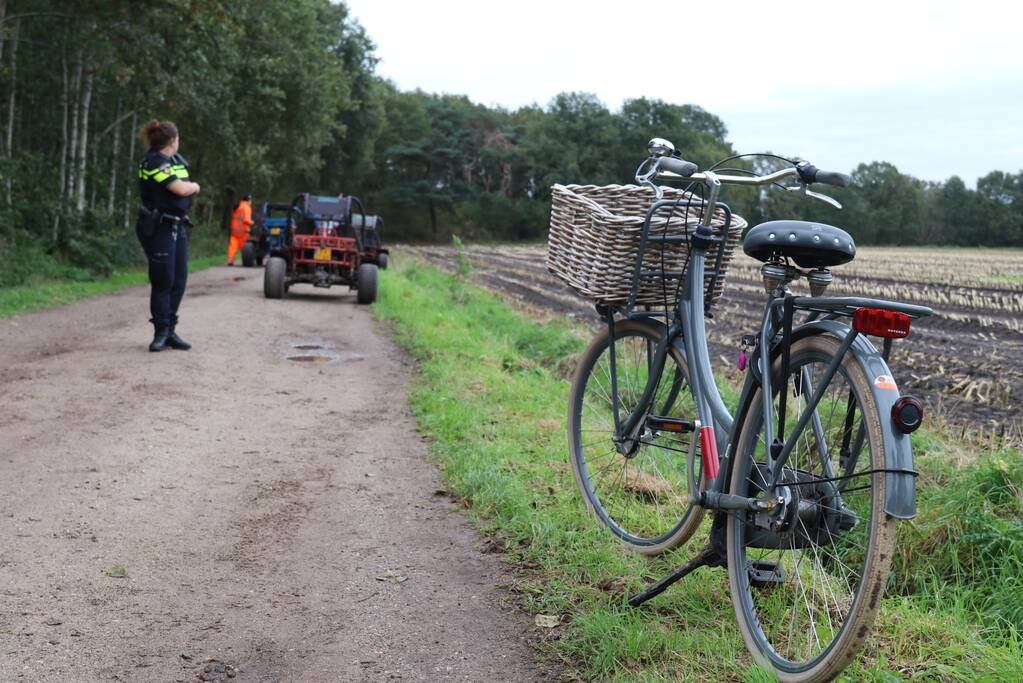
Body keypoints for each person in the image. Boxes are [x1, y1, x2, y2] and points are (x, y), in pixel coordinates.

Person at [136, 119, 201, 352]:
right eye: (178, 138)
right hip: (158, 227)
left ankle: (171, 329)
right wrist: (195, 186)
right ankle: (160, 332)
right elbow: (181, 188)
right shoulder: (154, 162)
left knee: (179, 280)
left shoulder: (175, 161)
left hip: (177, 226)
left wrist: (188, 185)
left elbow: (181, 183)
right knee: (163, 280)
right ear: (172, 141)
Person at [226, 195, 253, 265]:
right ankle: (247, 261)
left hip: (234, 231)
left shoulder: (238, 206)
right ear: (248, 200)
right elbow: (246, 220)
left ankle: (230, 261)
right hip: (243, 232)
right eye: (251, 200)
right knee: (245, 248)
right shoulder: (247, 207)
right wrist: (253, 222)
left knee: (232, 247)